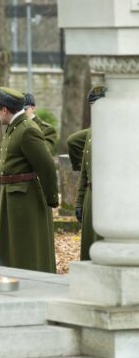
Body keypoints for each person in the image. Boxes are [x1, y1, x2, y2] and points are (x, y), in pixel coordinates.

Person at [0, 87, 59, 273]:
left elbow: (46, 165)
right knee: (12, 245)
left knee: (26, 246)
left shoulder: (27, 130)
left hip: (25, 197)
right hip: (12, 194)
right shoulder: (14, 128)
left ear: (5, 110)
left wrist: (51, 198)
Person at [75, 85, 108, 261]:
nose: (95, 108)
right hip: (91, 195)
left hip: (108, 197)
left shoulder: (116, 130)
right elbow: (84, 171)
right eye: (92, 105)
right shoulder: (92, 130)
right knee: (88, 246)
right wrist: (80, 202)